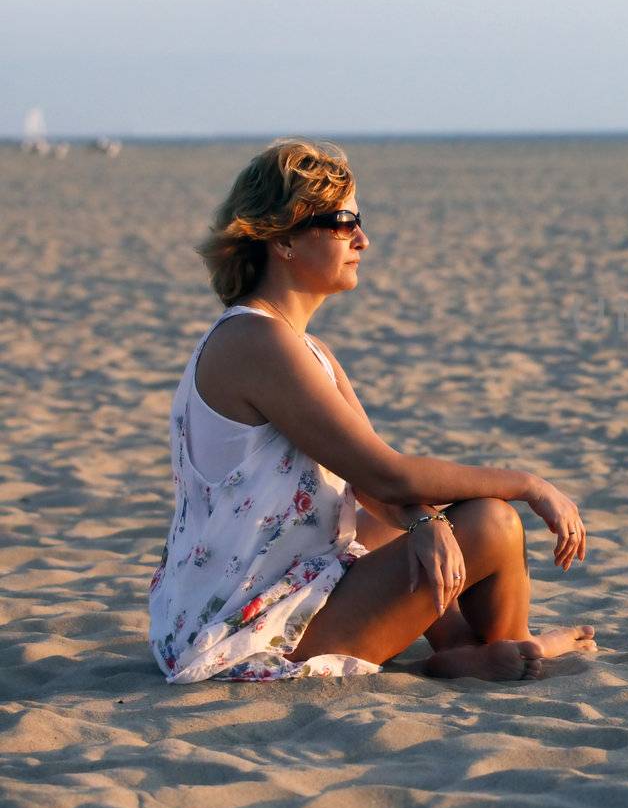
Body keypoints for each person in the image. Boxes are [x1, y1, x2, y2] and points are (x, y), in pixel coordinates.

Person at [148, 138, 595, 683]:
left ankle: (466, 648)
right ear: (284, 238)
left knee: (408, 526)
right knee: (493, 521)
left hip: (263, 590)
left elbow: (371, 484)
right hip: (241, 628)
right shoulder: (254, 341)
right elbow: (388, 470)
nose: (362, 239)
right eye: (341, 222)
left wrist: (423, 520)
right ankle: (506, 649)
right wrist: (528, 484)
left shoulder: (304, 349)